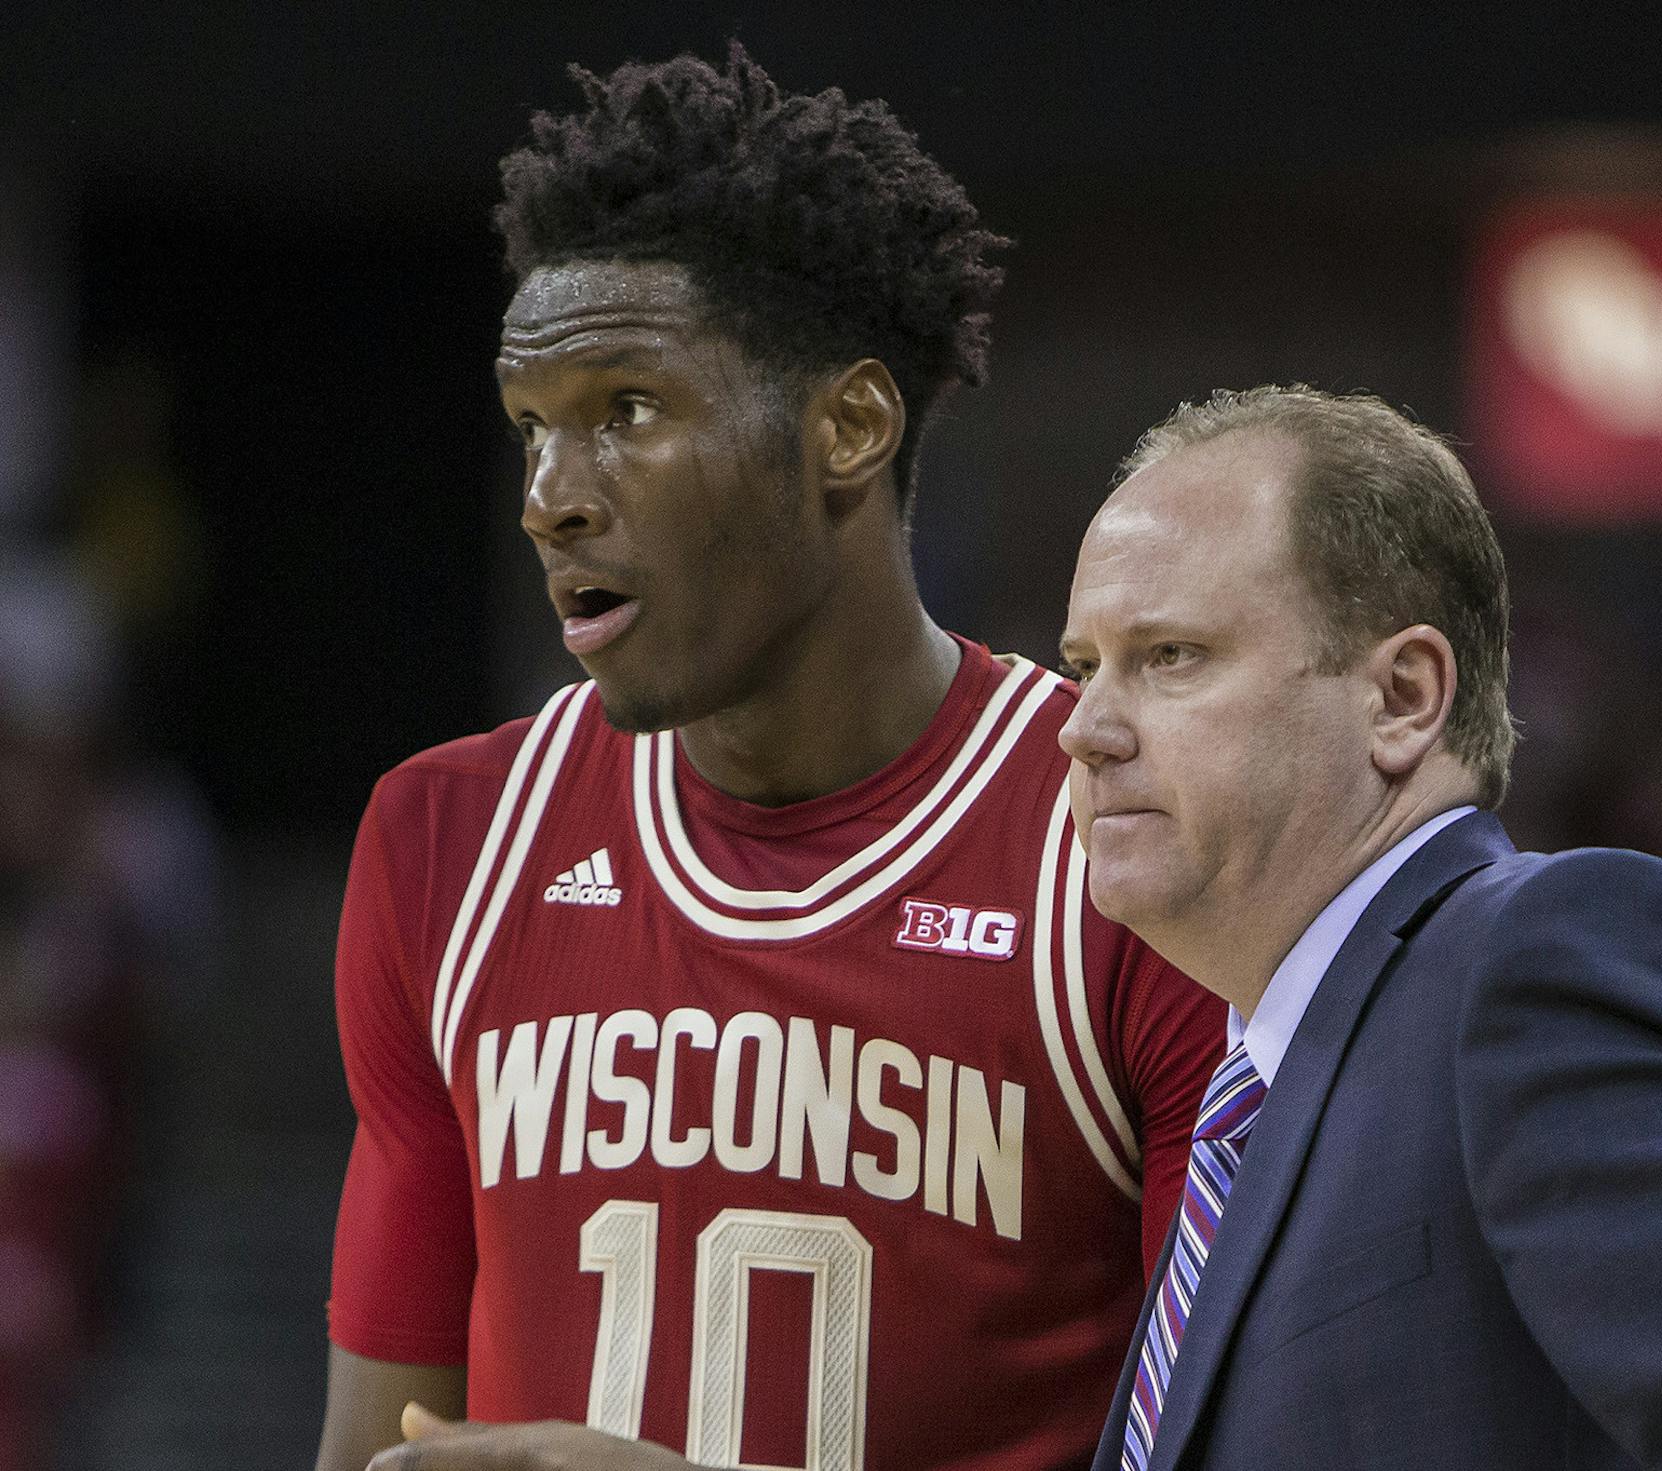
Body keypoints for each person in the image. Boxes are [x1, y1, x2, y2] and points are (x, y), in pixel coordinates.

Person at [317, 47, 1223, 1471]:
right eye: (533, 431)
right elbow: (378, 1444)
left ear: (847, 427)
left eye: (626, 409)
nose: (551, 499)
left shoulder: (1116, 835)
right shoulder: (450, 841)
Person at [1054, 385, 1662, 1471]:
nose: (1084, 727)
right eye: (1085, 665)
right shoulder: (1255, 1089)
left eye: (1170, 656)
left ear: (1402, 695)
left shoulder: (1530, 963)